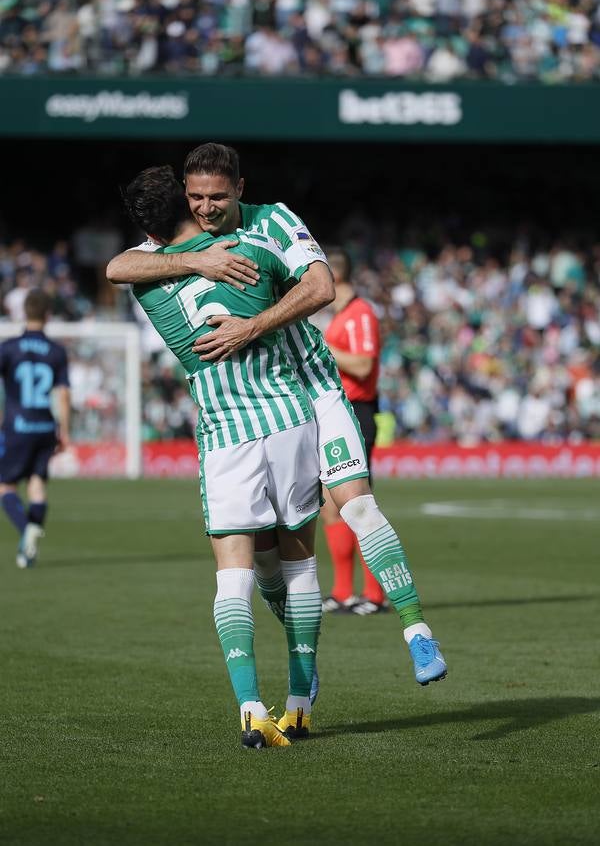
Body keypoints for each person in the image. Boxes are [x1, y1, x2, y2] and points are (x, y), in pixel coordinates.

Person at [107, 142, 447, 688]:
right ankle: (302, 666)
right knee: (267, 564)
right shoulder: (181, 242)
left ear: (240, 189)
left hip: (314, 387)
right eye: (196, 197)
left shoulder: (273, 223)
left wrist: (252, 325)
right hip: (261, 406)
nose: (206, 208)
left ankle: (416, 630)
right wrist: (197, 258)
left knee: (356, 508)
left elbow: (321, 286)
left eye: (217, 197)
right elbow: (117, 265)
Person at [120, 165, 332, 749]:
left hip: (225, 430)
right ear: (190, 205)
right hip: (289, 416)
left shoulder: (144, 279)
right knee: (299, 565)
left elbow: (120, 264)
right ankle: (299, 704)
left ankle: (249, 707)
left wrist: (186, 259)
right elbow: (314, 286)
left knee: (234, 573)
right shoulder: (251, 252)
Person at [321, 249, 388, 615]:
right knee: (330, 506)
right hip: (337, 413)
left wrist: (324, 348)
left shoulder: (360, 314)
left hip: (358, 412)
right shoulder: (339, 316)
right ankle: (344, 591)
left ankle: (375, 595)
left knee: (357, 504)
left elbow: (363, 365)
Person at [0, 288, 70, 568]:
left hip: (17, 425)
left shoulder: (8, 348)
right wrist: (65, 431)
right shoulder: (56, 351)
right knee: (37, 485)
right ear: (48, 314)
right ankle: (27, 550)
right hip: (45, 426)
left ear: (23, 313)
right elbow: (63, 395)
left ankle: (27, 528)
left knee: (5, 486)